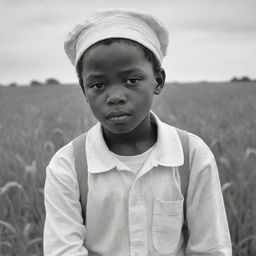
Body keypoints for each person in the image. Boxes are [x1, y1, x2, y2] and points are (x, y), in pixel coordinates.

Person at [43, 9, 232, 256]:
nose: (115, 97)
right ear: (83, 90)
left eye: (131, 80)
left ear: (158, 81)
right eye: (98, 85)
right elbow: (63, 251)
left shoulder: (192, 156)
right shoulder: (67, 166)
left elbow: (211, 248)